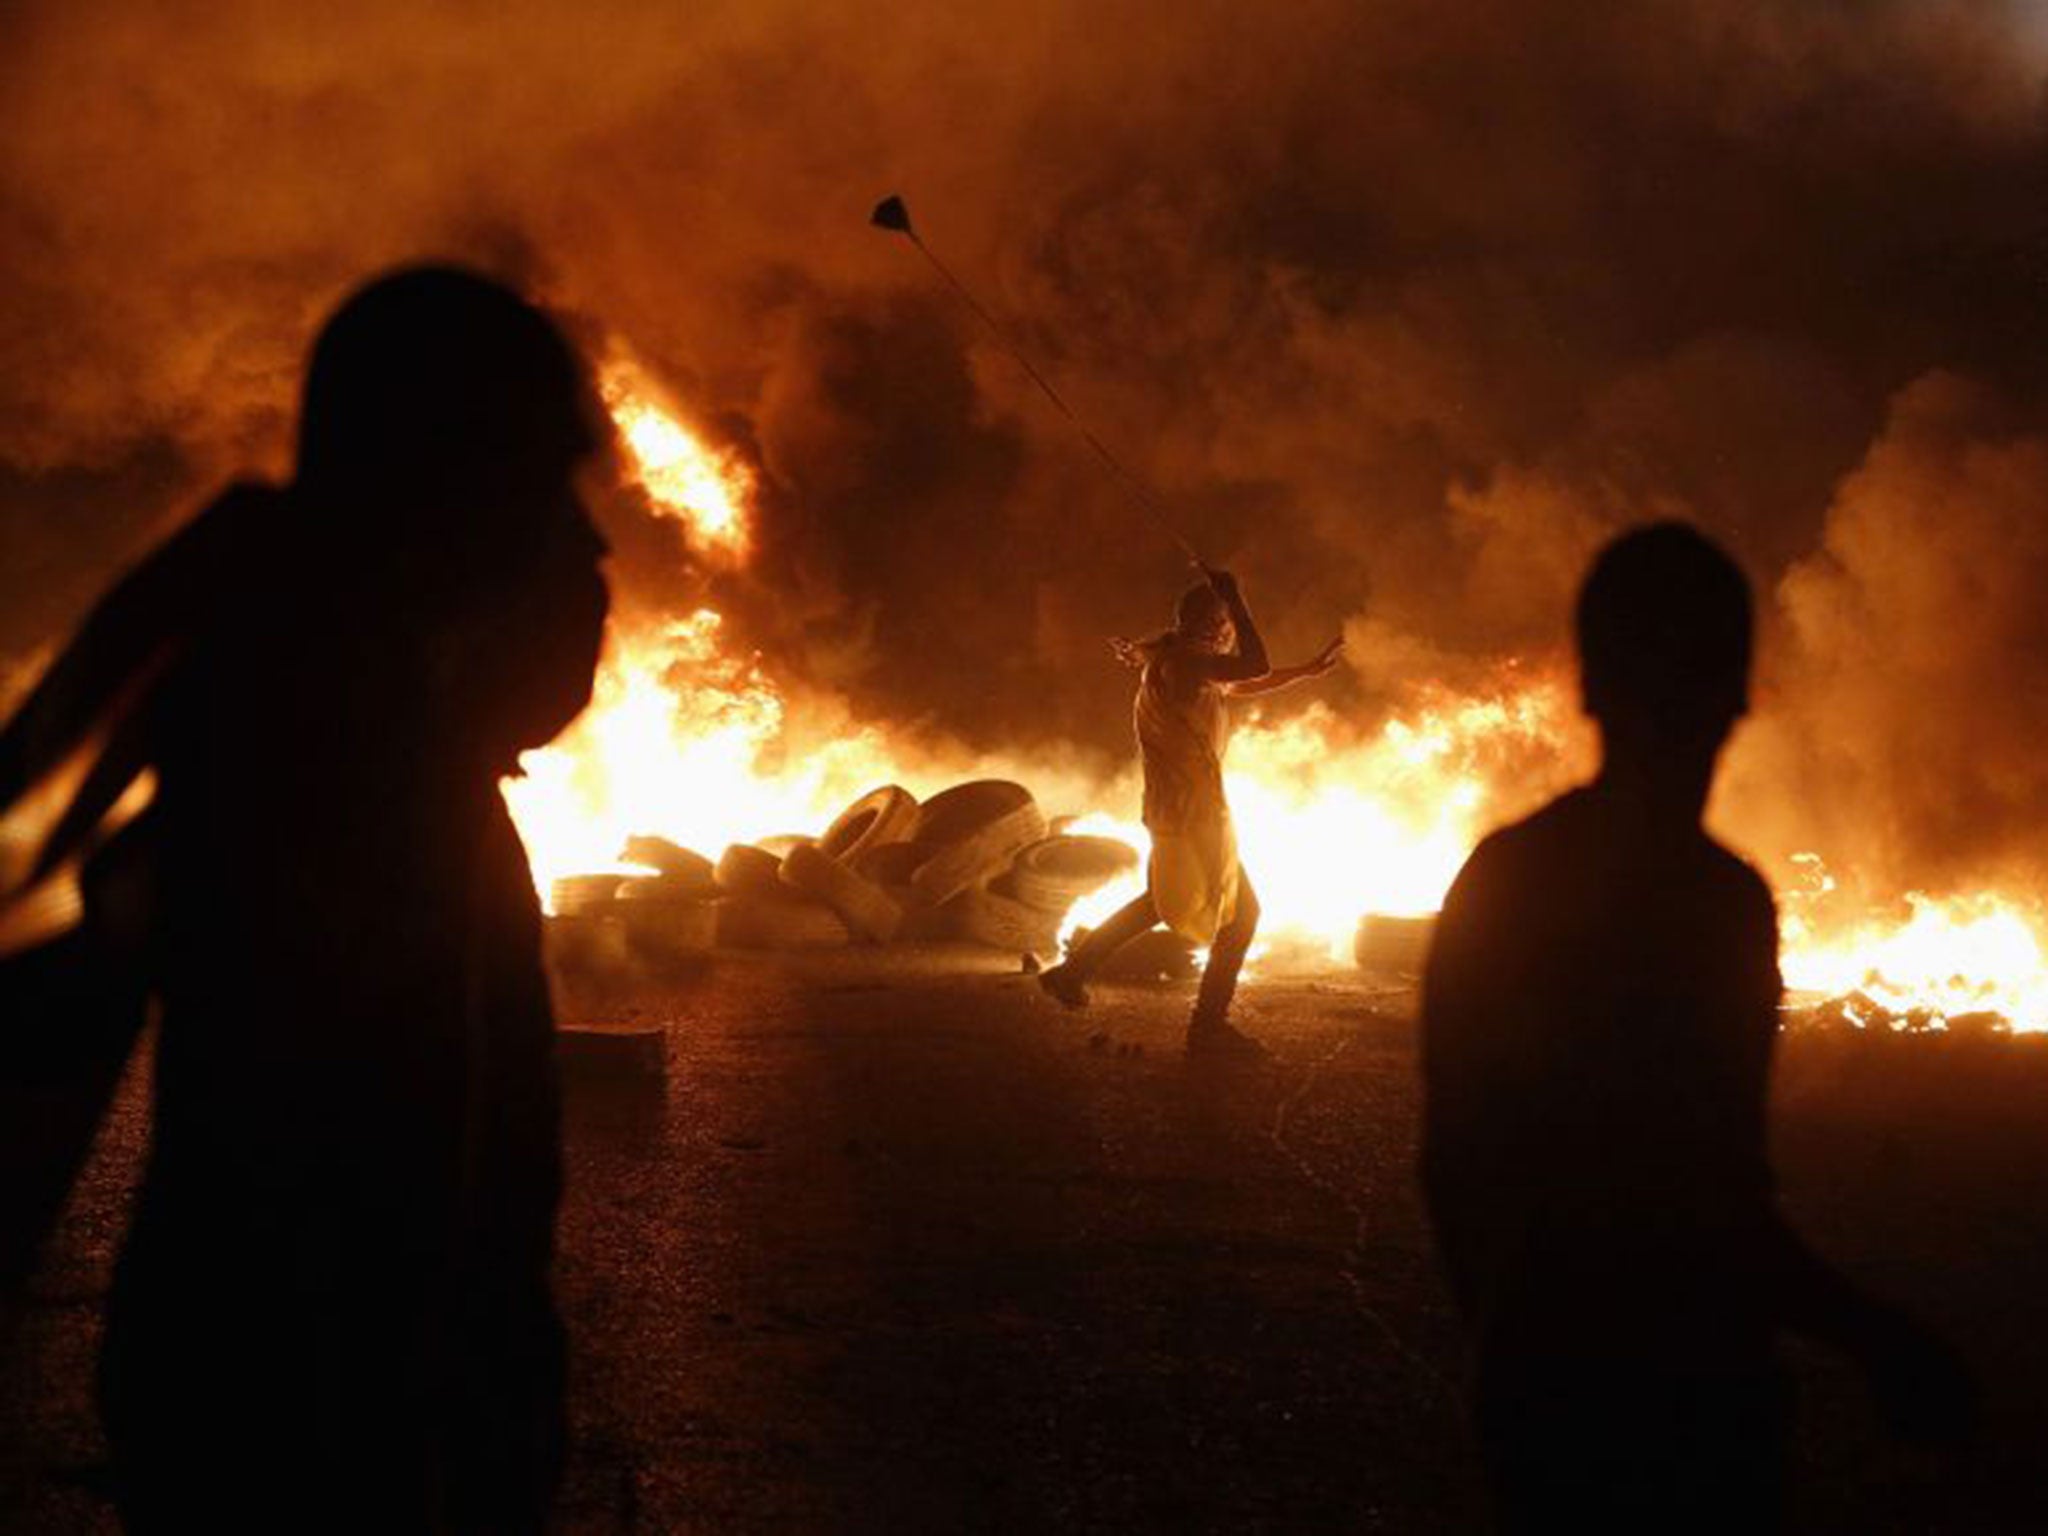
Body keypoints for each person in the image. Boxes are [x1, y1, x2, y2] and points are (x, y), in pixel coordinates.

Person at [0, 266, 609, 1532]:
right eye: (541, 491)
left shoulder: (354, 738)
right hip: (303, 1437)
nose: (587, 548)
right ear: (440, 509)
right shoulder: (319, 764)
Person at [1419, 523, 1974, 1532]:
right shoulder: (1720, 905)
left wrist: (1502, 1340)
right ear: (1739, 693)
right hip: (1695, 1400)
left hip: (1544, 1386)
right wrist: (1876, 1338)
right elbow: (1711, 1200)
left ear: (1585, 685)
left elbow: (1451, 1158)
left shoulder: (1500, 878)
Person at [1038, 567, 1340, 1060]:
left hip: (1183, 810)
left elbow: (1245, 684)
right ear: (1212, 625)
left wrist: (1304, 671)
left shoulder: (1186, 664)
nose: (1231, 630)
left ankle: (1072, 972)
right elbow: (1254, 665)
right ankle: (1207, 1029)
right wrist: (1236, 597)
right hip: (1191, 813)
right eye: (1225, 621)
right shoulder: (1185, 665)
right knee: (1240, 916)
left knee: (1163, 900)